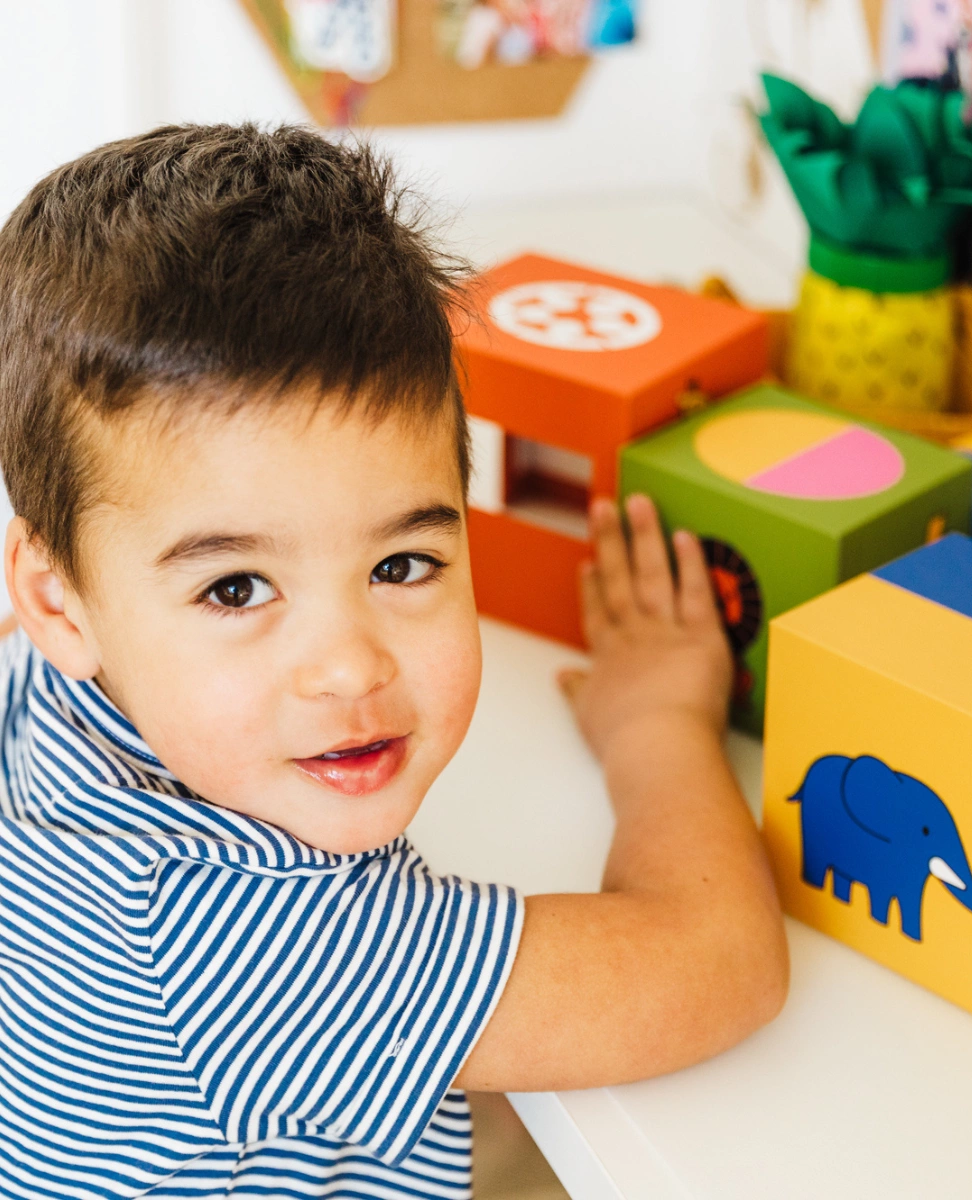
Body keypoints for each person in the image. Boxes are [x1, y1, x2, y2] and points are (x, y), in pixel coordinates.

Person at [0, 124, 788, 1198]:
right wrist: (658, 720)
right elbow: (722, 963)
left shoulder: (54, 668)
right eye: (236, 589)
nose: (349, 669)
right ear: (57, 598)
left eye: (401, 563)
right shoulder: (259, 945)